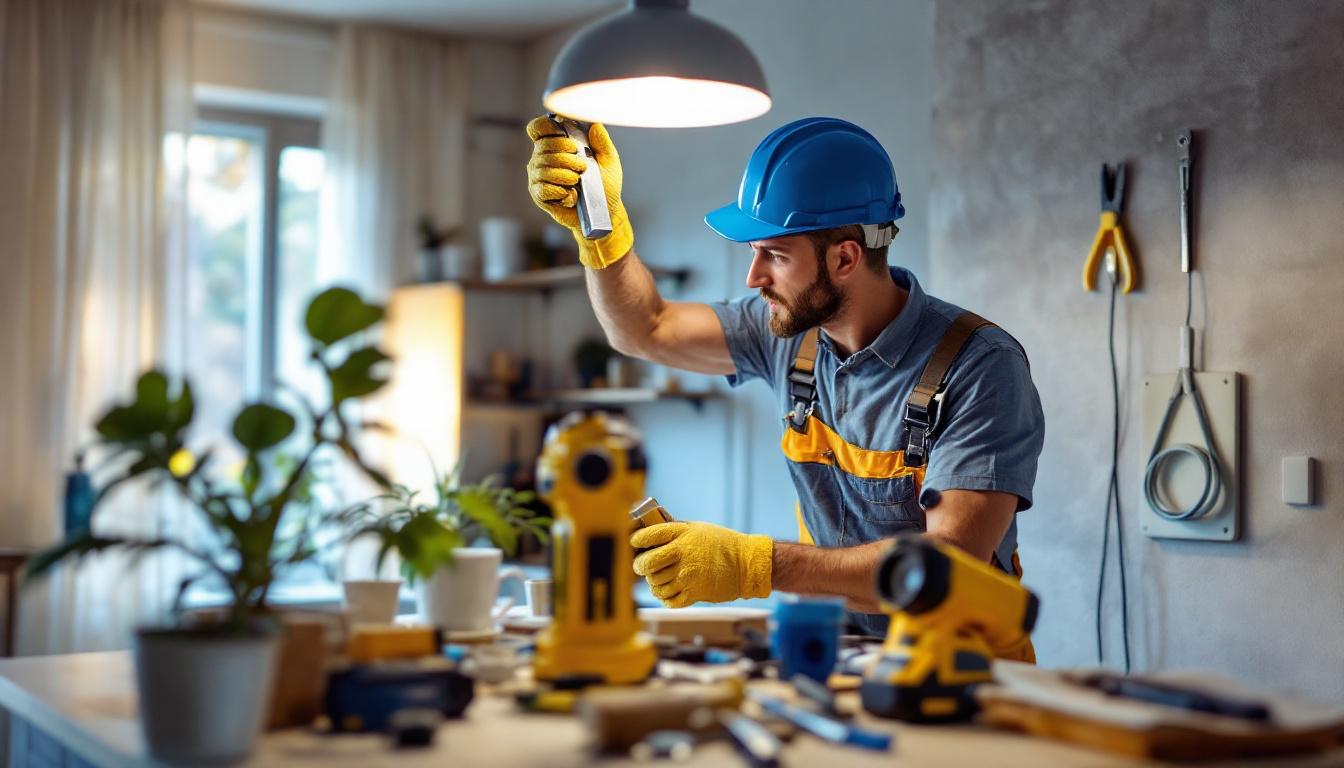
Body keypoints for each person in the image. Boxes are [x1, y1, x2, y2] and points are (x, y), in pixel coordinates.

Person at [525, 115, 1045, 660]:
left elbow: (946, 567)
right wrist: (601, 231)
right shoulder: (791, 333)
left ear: (844, 257)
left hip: (963, 676)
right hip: (839, 657)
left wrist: (754, 564)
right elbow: (645, 328)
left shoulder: (979, 366)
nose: (754, 277)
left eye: (774, 254)